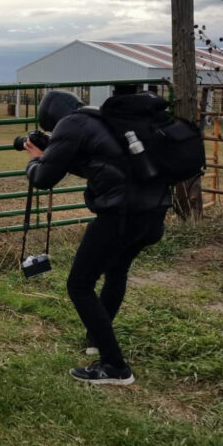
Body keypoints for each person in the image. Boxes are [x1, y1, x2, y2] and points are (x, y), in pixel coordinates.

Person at [21, 88, 171, 386]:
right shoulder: (104, 120)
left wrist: (35, 160)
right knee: (116, 271)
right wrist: (53, 151)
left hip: (121, 216)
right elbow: (103, 164)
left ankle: (115, 366)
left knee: (79, 284)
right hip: (154, 213)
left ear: (52, 118)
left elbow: (43, 179)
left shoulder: (70, 125)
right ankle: (97, 339)